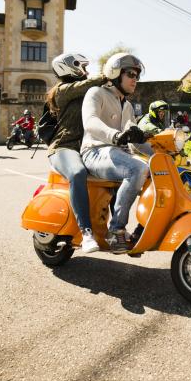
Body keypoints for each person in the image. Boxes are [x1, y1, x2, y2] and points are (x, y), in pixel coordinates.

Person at [81, 52, 150, 253]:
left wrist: (164, 153)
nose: (135, 79)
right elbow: (91, 122)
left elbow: (136, 140)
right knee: (137, 169)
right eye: (130, 74)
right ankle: (116, 229)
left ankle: (141, 229)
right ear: (115, 73)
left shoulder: (127, 105)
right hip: (94, 151)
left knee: (157, 172)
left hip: (117, 155)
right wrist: (115, 135)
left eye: (137, 75)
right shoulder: (96, 93)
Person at [46, 52, 107, 253]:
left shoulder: (88, 92)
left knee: (119, 174)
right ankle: (87, 232)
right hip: (64, 147)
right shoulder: (62, 91)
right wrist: (108, 74)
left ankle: (117, 229)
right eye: (81, 66)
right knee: (77, 173)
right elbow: (85, 85)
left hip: (86, 149)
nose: (86, 71)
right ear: (67, 67)